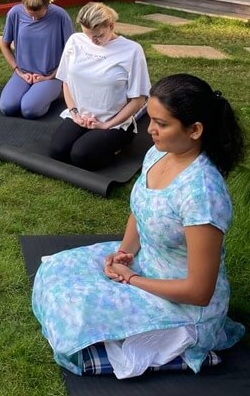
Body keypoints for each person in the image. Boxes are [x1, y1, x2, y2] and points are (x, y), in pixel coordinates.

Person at [32, 74, 246, 379]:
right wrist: (124, 253)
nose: (150, 130)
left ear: (195, 130)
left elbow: (199, 291)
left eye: (161, 123)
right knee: (56, 270)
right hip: (145, 265)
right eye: (152, 119)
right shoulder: (158, 153)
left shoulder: (203, 194)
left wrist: (131, 279)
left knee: (76, 309)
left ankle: (178, 349)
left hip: (184, 307)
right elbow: (140, 209)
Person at [47, 2, 150, 170]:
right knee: (57, 151)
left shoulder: (132, 50)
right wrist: (74, 113)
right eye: (87, 35)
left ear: (111, 26)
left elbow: (139, 99)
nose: (92, 41)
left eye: (98, 36)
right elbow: (66, 80)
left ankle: (120, 143)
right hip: (80, 116)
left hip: (114, 122)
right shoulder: (75, 41)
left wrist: (106, 125)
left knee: (80, 156)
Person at [0, 0, 73, 119]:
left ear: (47, 5)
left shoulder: (60, 16)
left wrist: (50, 76)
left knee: (29, 110)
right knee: (7, 108)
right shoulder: (15, 13)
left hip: (50, 76)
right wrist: (18, 71)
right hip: (23, 74)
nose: (33, 18)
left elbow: (71, 52)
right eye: (30, 14)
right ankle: (34, 91)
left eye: (38, 15)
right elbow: (4, 45)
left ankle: (58, 92)